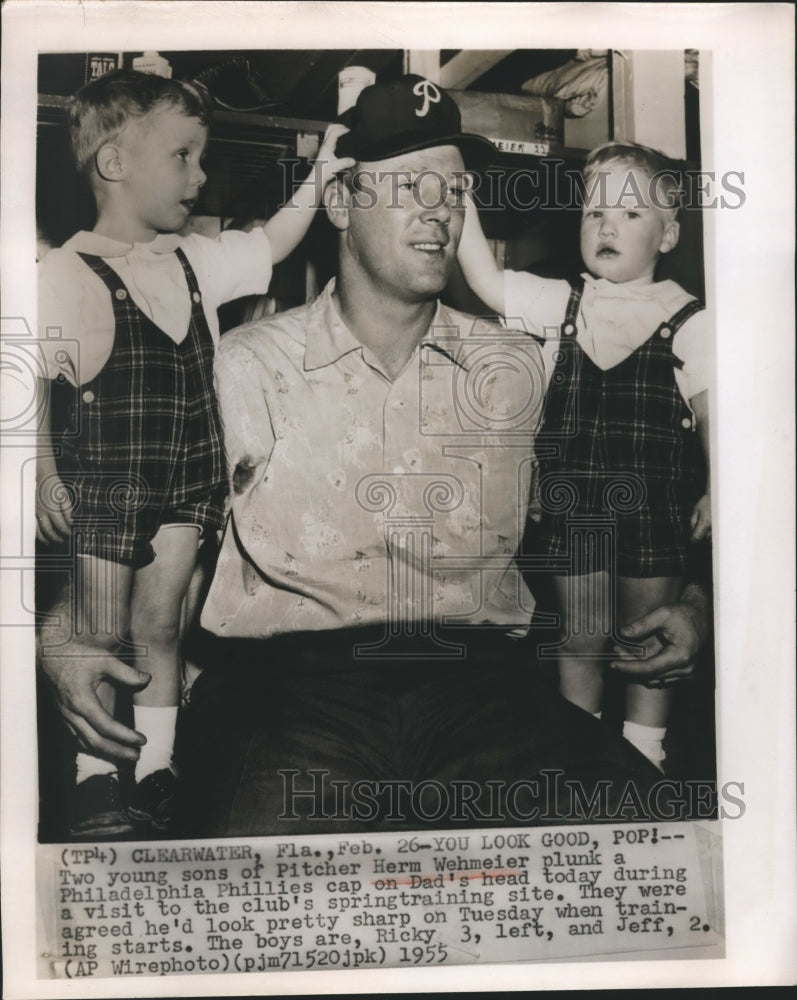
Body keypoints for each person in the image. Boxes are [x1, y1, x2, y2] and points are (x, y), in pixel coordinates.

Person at [172, 78, 711, 837]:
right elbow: (160, 522)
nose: (439, 209)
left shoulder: (518, 369)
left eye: (454, 190)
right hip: (293, 692)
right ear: (341, 204)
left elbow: (638, 486)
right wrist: (81, 628)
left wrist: (697, 605)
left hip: (483, 690)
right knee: (268, 871)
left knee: (655, 841)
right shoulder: (247, 364)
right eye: (409, 186)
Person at [35, 68, 353, 839]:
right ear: (115, 163)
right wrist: (40, 473)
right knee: (98, 632)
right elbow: (27, 383)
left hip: (188, 480)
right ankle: (92, 781)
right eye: (183, 155)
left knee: (161, 625)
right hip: (107, 485)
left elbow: (274, 241)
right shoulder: (66, 272)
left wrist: (325, 166)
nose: (200, 175)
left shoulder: (195, 260)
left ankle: (155, 770)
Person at [457, 140, 711, 770]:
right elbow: (485, 280)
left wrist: (719, 488)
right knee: (581, 637)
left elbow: (717, 418)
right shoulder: (561, 304)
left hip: (655, 514)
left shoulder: (692, 320)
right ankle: (580, 754)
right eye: (594, 211)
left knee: (646, 636)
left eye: (630, 213)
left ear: (668, 234)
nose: (607, 226)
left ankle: (645, 756)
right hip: (574, 510)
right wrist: (460, 192)